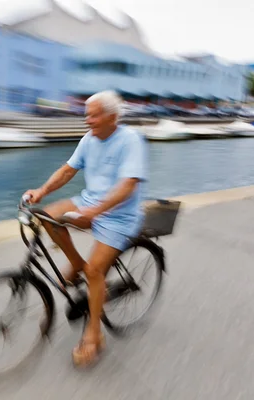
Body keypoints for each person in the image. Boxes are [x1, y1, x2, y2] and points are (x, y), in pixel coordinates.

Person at [23, 90, 148, 367]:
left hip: (120, 217)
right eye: (86, 114)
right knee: (46, 216)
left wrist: (94, 212)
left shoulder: (130, 140)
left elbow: (128, 185)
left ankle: (94, 334)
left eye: (93, 114)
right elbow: (68, 170)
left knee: (95, 272)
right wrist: (41, 191)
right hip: (90, 203)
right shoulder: (89, 139)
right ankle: (77, 263)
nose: (87, 120)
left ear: (112, 117)